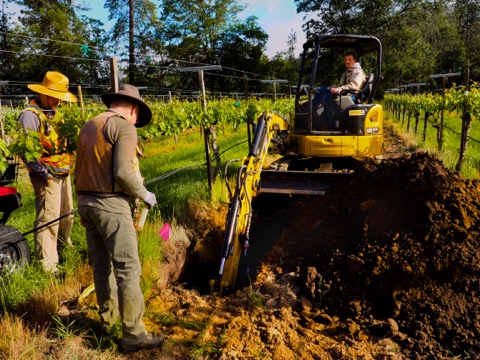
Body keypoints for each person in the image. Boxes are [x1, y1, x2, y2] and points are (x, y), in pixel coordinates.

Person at [74, 84, 164, 352]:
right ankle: (134, 335)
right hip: (111, 205)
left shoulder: (90, 124)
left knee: (101, 266)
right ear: (133, 109)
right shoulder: (125, 127)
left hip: (86, 202)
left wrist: (82, 203)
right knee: (128, 269)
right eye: (138, 116)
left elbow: (79, 167)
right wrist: (145, 194)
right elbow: (124, 172)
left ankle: (108, 321)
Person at [18, 71, 78, 274]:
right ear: (44, 93)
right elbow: (27, 151)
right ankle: (47, 266)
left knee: (66, 216)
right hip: (47, 176)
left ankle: (63, 252)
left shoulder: (54, 112)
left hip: (64, 172)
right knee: (48, 220)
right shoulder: (30, 115)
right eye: (56, 97)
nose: (59, 102)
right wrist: (45, 175)